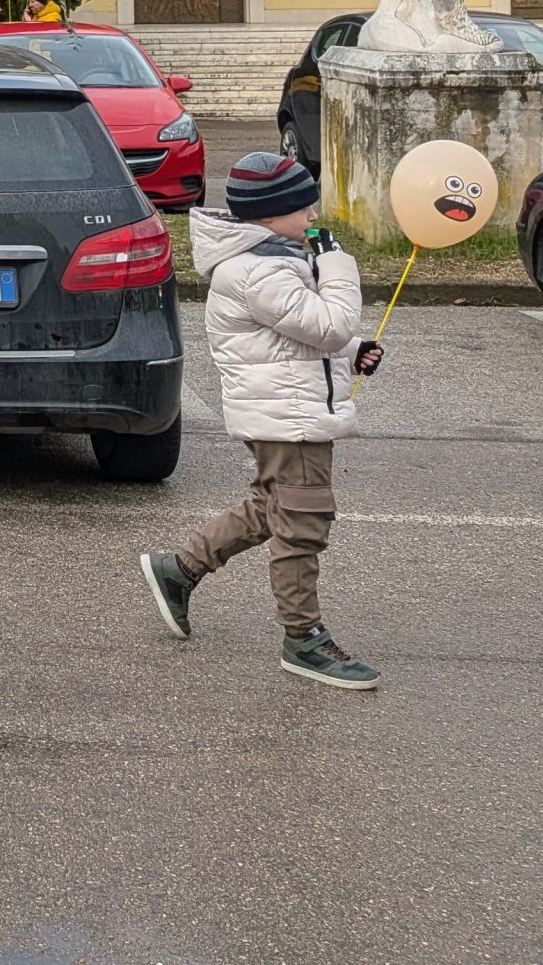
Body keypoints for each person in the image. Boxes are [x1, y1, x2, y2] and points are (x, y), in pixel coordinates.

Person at [140, 153, 384, 690]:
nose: (313, 215)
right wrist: (337, 264)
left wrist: (352, 351)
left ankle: (179, 569)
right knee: (303, 521)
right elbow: (329, 323)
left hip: (282, 410)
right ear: (271, 215)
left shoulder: (268, 260)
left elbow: (297, 337)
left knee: (272, 505)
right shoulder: (258, 270)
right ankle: (304, 639)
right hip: (287, 418)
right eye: (304, 207)